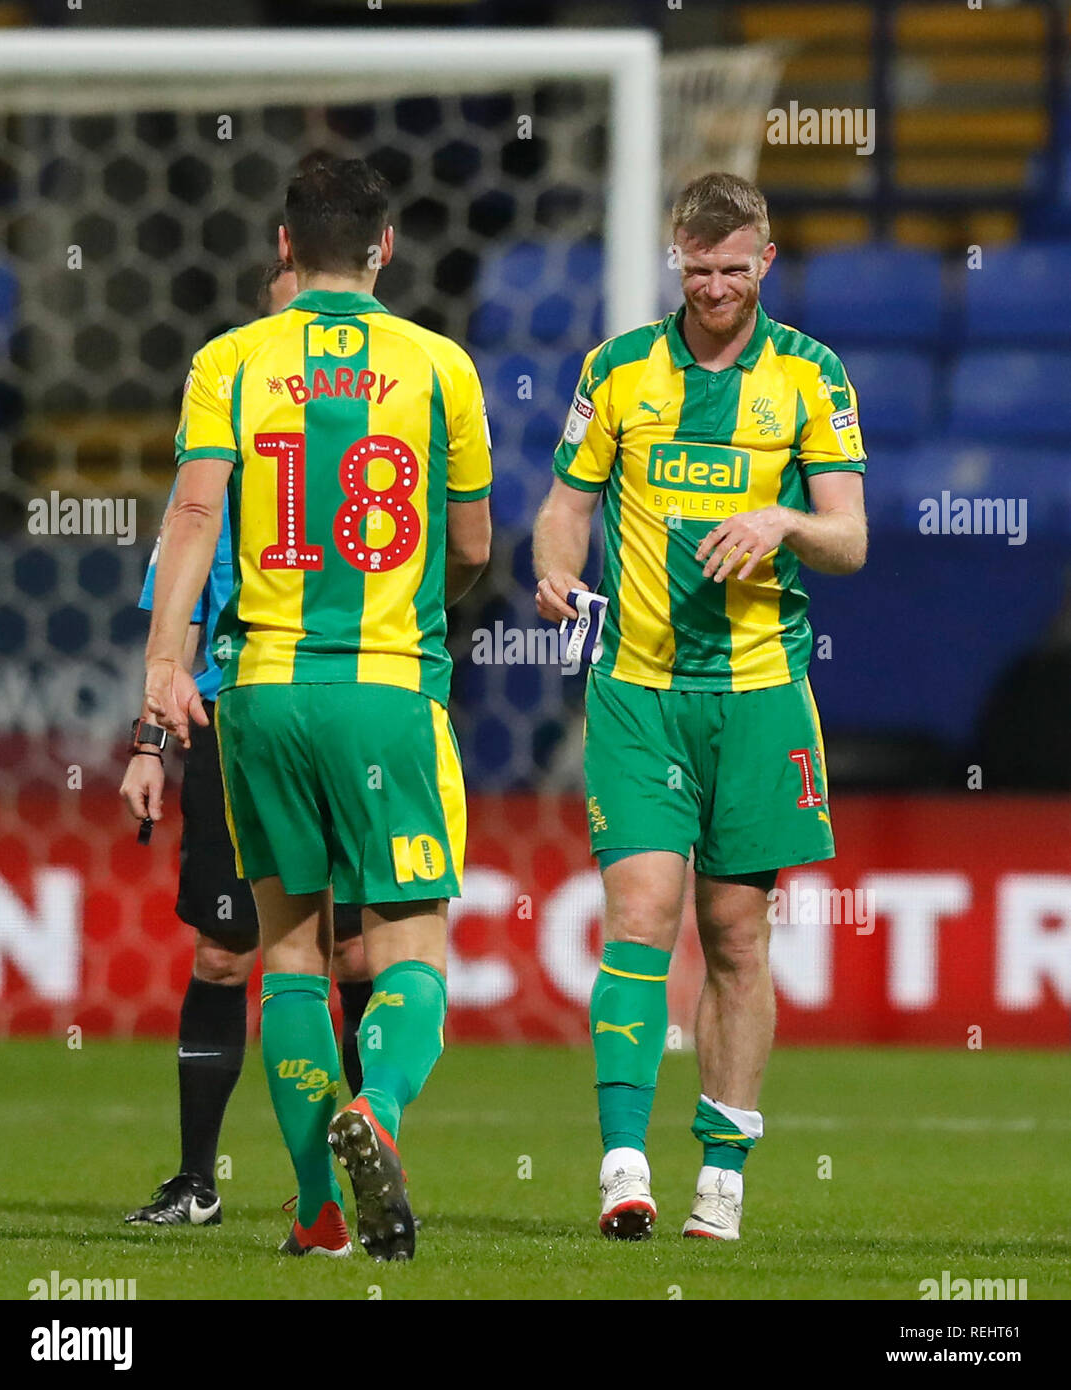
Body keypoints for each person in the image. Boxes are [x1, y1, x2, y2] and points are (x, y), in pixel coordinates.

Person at [143, 152, 491, 1261]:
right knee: (408, 950)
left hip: (259, 692)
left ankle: (315, 1211)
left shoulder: (231, 360)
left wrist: (166, 662)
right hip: (387, 687)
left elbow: (194, 515)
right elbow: (476, 544)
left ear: (285, 246)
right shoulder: (442, 368)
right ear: (385, 247)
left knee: (286, 955)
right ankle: (377, 1106)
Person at [533, 172, 867, 1242]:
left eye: (734, 268)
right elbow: (565, 504)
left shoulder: (812, 376)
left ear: (765, 262)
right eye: (698, 267)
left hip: (761, 695)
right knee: (638, 918)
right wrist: (553, 573)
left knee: (734, 933)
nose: (715, 286)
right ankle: (622, 1166)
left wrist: (779, 521)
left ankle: (721, 1172)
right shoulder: (619, 368)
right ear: (674, 258)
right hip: (637, 691)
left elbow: (850, 537)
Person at [121, 260, 373, 1228]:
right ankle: (194, 1181)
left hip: (340, 710)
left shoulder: (351, 455)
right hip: (232, 721)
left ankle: (357, 1173)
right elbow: (173, 614)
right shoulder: (214, 477)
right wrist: (149, 741)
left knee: (349, 953)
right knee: (227, 952)